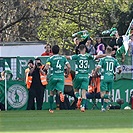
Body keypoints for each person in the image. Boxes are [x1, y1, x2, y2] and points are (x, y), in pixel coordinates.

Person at [66, 44, 106, 112]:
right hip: (85, 76)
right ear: (85, 49)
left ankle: (78, 97)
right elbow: (97, 56)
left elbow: (68, 57)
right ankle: (83, 107)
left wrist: (60, 56)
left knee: (76, 91)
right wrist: (106, 55)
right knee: (84, 93)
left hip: (78, 75)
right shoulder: (88, 56)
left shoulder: (77, 56)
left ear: (79, 50)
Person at [45, 45, 71, 113]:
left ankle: (51, 109)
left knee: (51, 93)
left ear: (52, 51)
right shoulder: (63, 58)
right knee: (60, 90)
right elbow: (69, 66)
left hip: (53, 76)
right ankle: (60, 93)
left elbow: (47, 67)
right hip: (61, 76)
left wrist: (45, 72)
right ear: (59, 50)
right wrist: (67, 74)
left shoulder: (50, 58)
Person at [95, 46, 122, 112]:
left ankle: (108, 97)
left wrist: (96, 72)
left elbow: (98, 67)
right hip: (111, 78)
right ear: (111, 52)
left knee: (102, 95)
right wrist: (117, 72)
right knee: (107, 92)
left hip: (104, 77)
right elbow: (120, 69)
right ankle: (104, 108)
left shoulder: (103, 59)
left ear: (106, 52)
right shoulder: (114, 60)